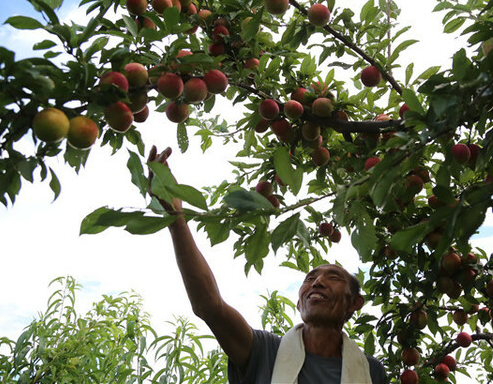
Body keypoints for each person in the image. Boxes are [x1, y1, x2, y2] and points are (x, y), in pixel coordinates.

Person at [147, 146, 388, 384]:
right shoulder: (264, 352)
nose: (317, 282)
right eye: (310, 278)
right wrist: (177, 219)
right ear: (299, 302)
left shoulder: (372, 372)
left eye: (333, 277)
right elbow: (209, 306)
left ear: (354, 303)